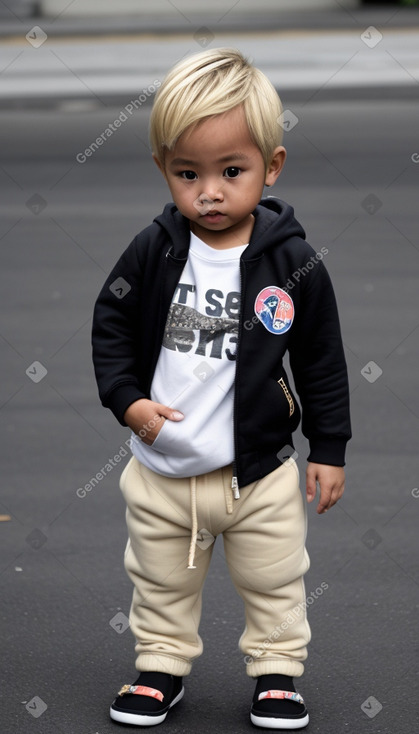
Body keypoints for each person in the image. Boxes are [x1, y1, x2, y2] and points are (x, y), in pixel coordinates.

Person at [92, 47, 351, 730]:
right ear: (162, 170)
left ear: (271, 166)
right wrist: (128, 400)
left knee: (273, 578)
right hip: (162, 469)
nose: (208, 191)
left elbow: (321, 356)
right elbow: (111, 320)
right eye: (186, 173)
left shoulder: (291, 262)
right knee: (160, 581)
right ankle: (160, 668)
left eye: (231, 171)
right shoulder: (155, 248)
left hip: (257, 471)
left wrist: (328, 445)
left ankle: (275, 674)